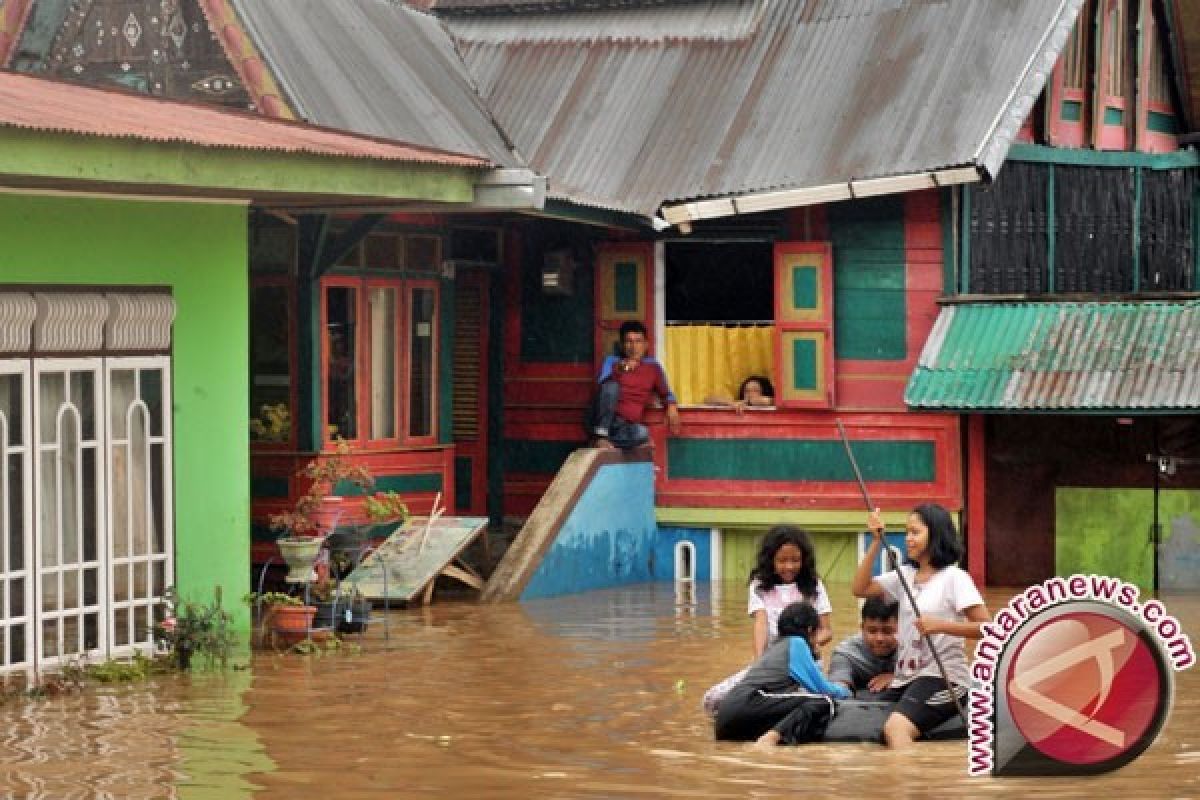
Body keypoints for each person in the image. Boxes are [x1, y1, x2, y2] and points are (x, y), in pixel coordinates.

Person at [850, 503, 989, 749]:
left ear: (935, 534)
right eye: (907, 533)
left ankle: (912, 786)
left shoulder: (955, 578)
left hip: (943, 678)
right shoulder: (904, 576)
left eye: (915, 532)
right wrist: (875, 542)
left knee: (896, 730)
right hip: (906, 679)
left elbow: (988, 628)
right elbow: (860, 589)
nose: (908, 539)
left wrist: (941, 626)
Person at [702, 526, 833, 715]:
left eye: (795, 560)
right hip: (771, 662)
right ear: (770, 559)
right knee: (713, 700)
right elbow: (761, 623)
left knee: (812, 704)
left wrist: (810, 643)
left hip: (806, 663)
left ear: (804, 560)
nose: (789, 566)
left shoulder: (814, 585)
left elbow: (827, 630)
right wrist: (759, 662)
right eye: (782, 560)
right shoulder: (759, 585)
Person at [714, 602, 850, 746]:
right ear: (810, 630)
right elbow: (821, 689)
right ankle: (771, 739)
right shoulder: (796, 643)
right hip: (749, 702)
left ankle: (770, 736)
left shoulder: (776, 647)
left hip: (726, 721)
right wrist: (844, 691)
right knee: (825, 702)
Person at [587, 320, 681, 449]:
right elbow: (603, 388)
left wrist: (671, 405)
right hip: (603, 420)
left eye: (638, 341)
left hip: (625, 426)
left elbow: (666, 393)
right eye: (629, 341)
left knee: (642, 433)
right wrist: (620, 368)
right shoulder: (612, 361)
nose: (633, 346)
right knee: (611, 386)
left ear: (646, 345)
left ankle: (604, 441)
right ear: (621, 345)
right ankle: (600, 436)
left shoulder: (653, 367)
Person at [828, 596, 898, 696]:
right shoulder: (846, 653)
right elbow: (838, 688)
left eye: (887, 631)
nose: (879, 638)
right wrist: (841, 686)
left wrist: (899, 679)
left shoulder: (916, 651)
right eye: (872, 631)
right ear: (862, 628)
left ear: (902, 628)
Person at [704, 375, 775, 414]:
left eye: (755, 390)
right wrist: (732, 403)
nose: (750, 393)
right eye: (747, 391)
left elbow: (768, 401)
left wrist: (751, 401)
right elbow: (708, 399)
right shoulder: (739, 405)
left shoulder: (771, 403)